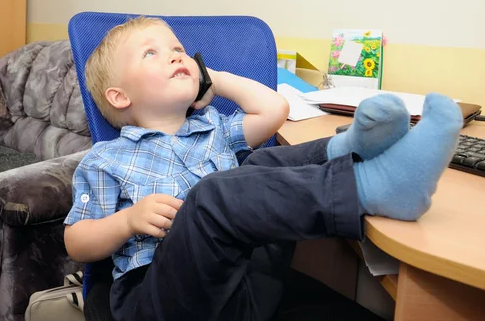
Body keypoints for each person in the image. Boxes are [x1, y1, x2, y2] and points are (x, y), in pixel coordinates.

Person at [64, 16, 464, 321]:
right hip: (159, 297)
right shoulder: (106, 158)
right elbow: (77, 242)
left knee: (260, 163)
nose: (175, 55)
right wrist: (129, 221)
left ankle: (355, 151)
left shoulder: (213, 129)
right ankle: (373, 187)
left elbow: (274, 110)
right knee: (213, 194)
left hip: (244, 285)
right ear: (118, 96)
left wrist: (213, 79)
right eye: (150, 53)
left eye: (178, 49)